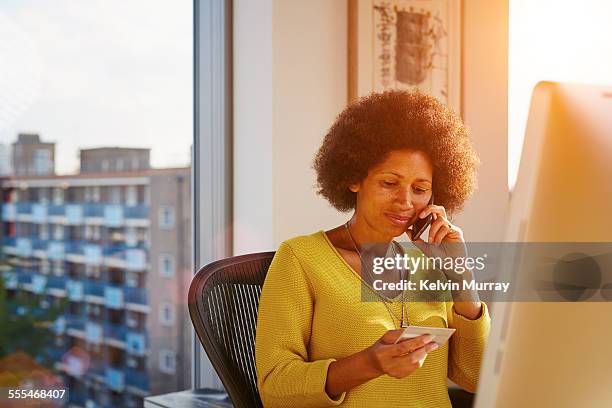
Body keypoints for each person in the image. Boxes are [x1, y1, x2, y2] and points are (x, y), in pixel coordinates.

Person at [255, 90, 491, 407]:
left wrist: (461, 274)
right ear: (354, 178)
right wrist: (370, 363)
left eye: (420, 189)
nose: (406, 202)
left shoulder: (432, 266)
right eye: (390, 183)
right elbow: (274, 388)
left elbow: (477, 377)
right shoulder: (301, 258)